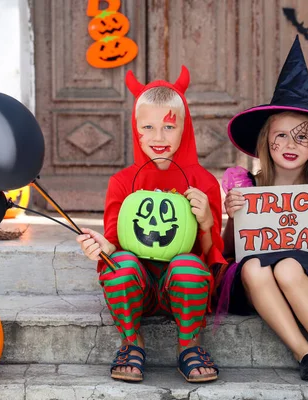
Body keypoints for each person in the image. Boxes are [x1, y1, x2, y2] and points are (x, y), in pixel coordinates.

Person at [215, 36, 308, 383]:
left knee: (289, 265)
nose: (290, 145)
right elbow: (232, 249)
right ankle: (302, 352)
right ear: (266, 140)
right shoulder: (244, 183)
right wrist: (234, 217)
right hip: (258, 279)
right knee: (254, 268)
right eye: (282, 136)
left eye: (302, 137)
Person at [76, 66, 225, 383]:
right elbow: (115, 242)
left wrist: (208, 222)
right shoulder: (122, 182)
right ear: (136, 129)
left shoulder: (204, 182)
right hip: (139, 287)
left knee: (187, 264)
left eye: (169, 127)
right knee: (120, 264)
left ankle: (189, 345)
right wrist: (103, 246)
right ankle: (132, 341)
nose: (159, 137)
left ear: (184, 128)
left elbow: (211, 254)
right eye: (148, 127)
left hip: (180, 289)